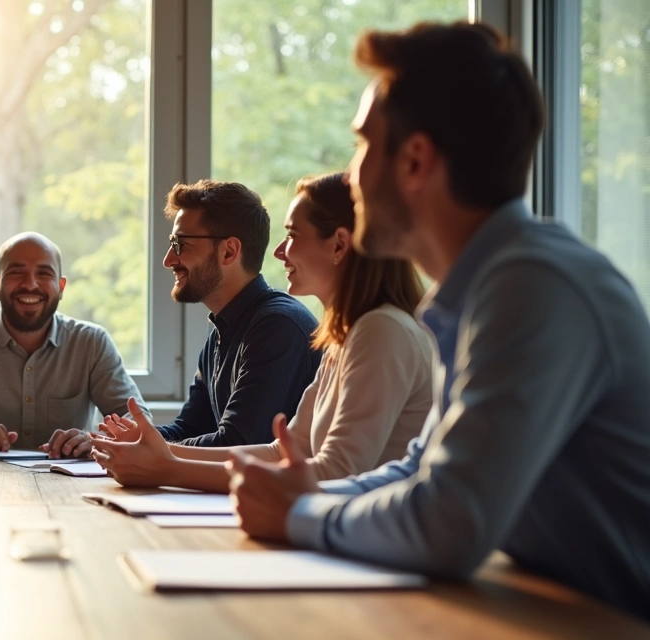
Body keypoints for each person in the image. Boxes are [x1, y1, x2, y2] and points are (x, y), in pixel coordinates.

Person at [229, 22, 650, 620]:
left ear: (415, 161)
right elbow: (420, 470)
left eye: (362, 145)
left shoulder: (532, 285)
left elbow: (451, 521)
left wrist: (301, 513)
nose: (352, 175)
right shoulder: (484, 290)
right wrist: (304, 496)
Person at [92, 172, 433, 491]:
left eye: (292, 236)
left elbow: (336, 471)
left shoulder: (380, 329)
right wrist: (152, 451)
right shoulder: (344, 338)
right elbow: (283, 451)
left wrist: (166, 466)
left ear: (339, 246)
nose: (279, 251)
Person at [0, 232, 146, 458]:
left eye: (44, 274)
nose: (30, 285)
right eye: (16, 273)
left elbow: (137, 419)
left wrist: (96, 440)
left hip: (72, 489)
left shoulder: (92, 343)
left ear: (61, 287)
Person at [150, 180, 321, 447]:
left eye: (180, 244)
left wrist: (152, 451)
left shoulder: (278, 327)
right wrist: (111, 440)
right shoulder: (222, 331)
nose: (168, 259)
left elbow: (238, 443)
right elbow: (190, 428)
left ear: (229, 251)